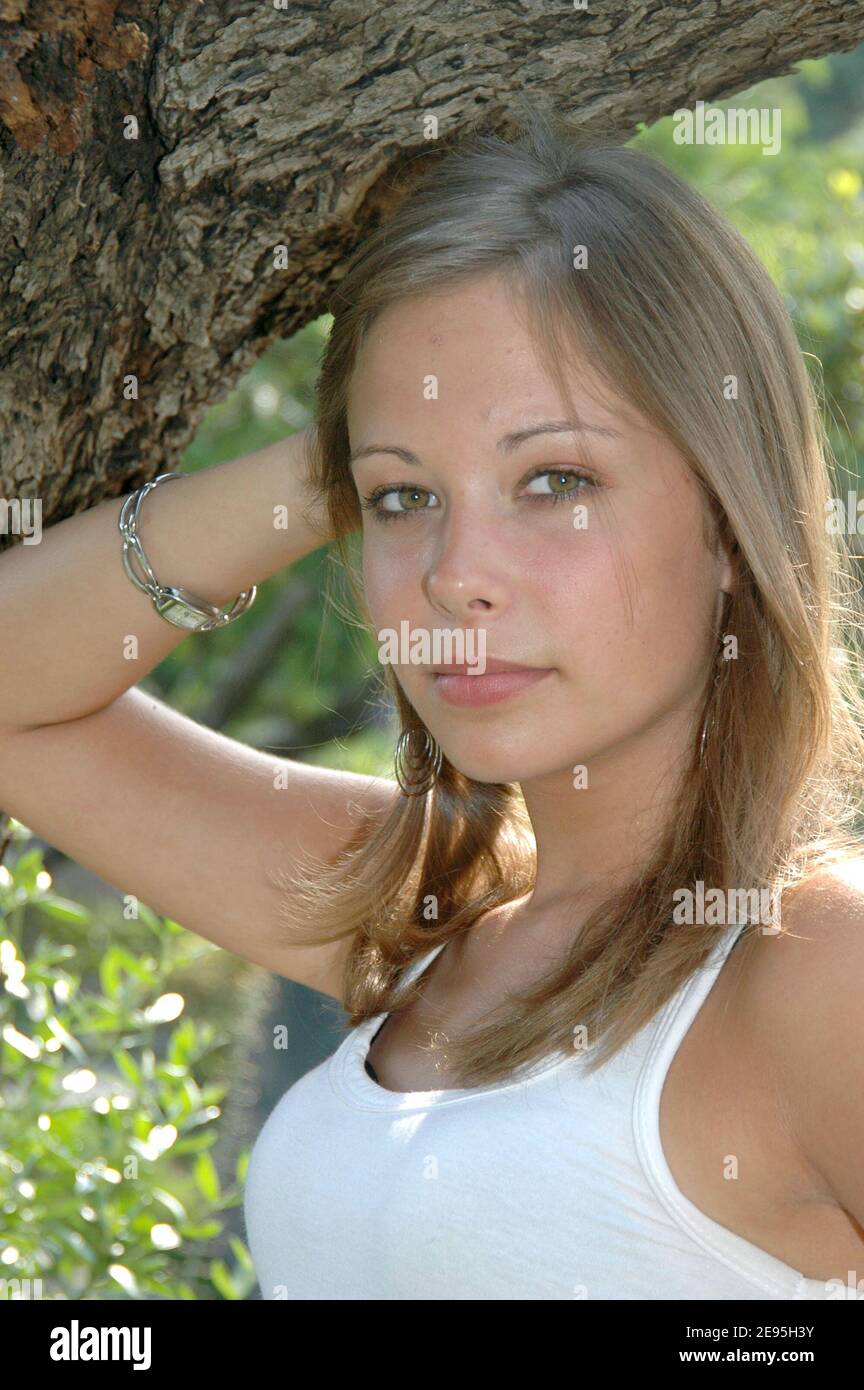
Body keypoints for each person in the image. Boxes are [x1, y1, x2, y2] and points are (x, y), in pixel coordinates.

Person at [1, 113, 863, 1301]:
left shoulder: (817, 966)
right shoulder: (427, 908)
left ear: (729, 522)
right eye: (405, 501)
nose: (458, 573)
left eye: (553, 479)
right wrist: (338, 463)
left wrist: (405, 455)